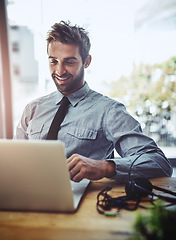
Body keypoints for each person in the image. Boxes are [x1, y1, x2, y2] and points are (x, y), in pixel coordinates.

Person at [14, 21, 173, 183]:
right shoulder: (33, 109)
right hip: (30, 196)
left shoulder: (109, 110)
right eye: (53, 61)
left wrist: (105, 167)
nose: (60, 71)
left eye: (69, 62)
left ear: (87, 61)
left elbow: (159, 163)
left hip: (84, 201)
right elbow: (14, 161)